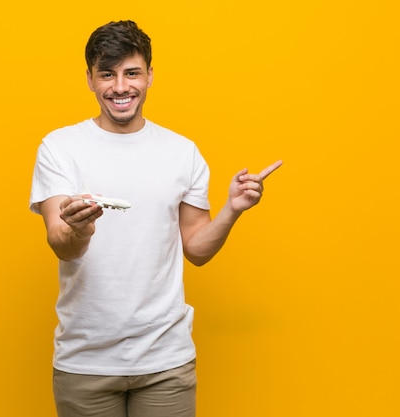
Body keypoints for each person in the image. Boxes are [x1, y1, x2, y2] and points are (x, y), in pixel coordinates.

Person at [30, 20, 282, 417]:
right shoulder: (60, 147)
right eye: (106, 74)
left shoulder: (182, 152)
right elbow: (60, 242)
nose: (120, 87)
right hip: (86, 362)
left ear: (149, 75)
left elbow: (196, 249)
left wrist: (232, 210)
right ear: (90, 79)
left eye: (132, 73)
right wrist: (79, 229)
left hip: (166, 360)